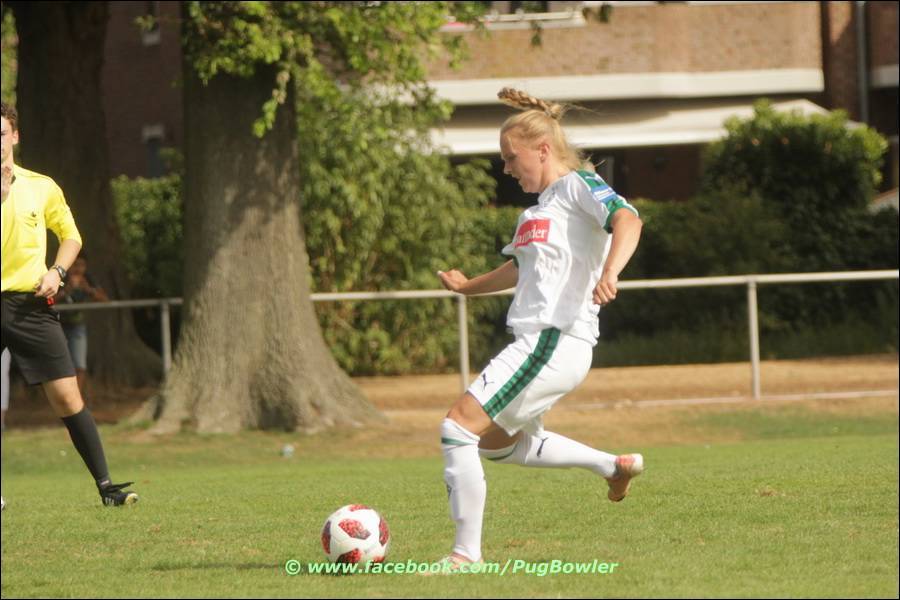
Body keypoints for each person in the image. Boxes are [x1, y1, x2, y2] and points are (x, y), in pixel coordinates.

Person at [435, 88, 644, 569]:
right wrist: (467, 287)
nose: (507, 168)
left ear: (543, 149)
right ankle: (610, 466)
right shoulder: (536, 211)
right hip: (541, 343)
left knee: (457, 427)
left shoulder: (578, 185)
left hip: (553, 339)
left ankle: (465, 556)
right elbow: (517, 269)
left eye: (512, 158)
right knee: (496, 445)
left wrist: (611, 272)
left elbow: (628, 220)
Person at [1, 101, 138, 507]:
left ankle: (107, 488)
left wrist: (57, 272)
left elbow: (71, 236)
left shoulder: (41, 186)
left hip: (28, 305)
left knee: (67, 397)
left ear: (14, 136)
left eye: (1, 133)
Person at [55, 253, 109, 400]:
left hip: (77, 327)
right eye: (75, 265)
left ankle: (75, 398)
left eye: (81, 265)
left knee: (79, 364)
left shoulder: (88, 279)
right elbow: (49, 300)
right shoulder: (61, 278)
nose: (78, 269)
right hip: (57, 326)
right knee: (60, 365)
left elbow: (105, 299)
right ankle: (62, 397)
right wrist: (65, 290)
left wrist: (88, 290)